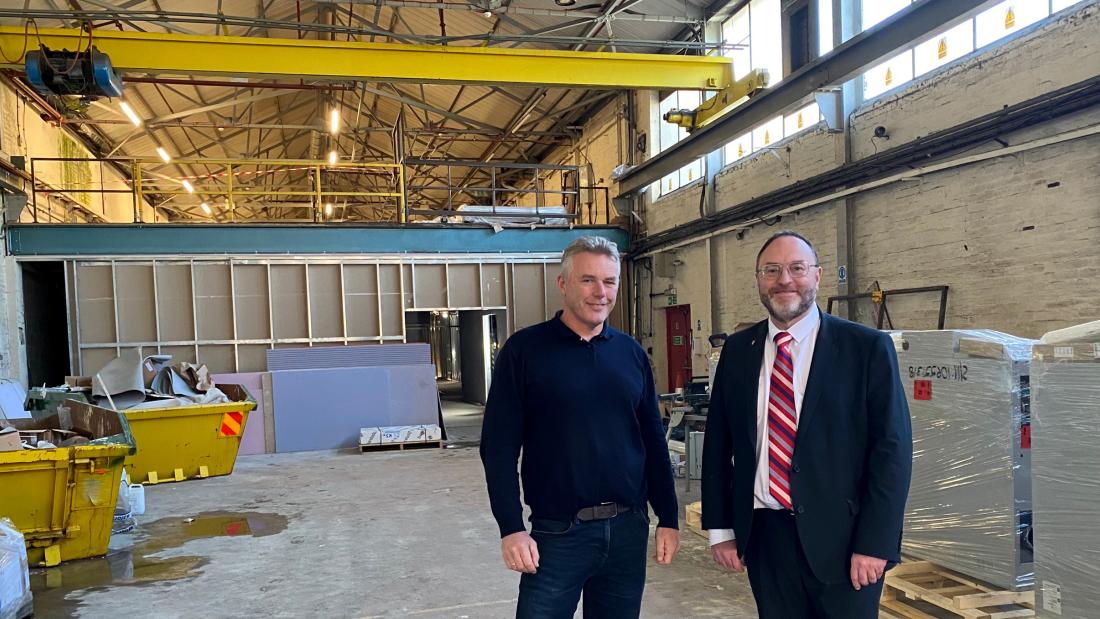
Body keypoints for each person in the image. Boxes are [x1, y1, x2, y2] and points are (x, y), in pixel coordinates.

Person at [701, 230, 912, 618]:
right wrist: (721, 529)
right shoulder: (738, 350)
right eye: (772, 270)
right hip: (765, 538)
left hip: (846, 541)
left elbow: (891, 453)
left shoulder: (865, 349)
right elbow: (718, 445)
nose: (784, 280)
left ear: (817, 275)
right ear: (759, 280)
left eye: (797, 268)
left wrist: (876, 543)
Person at [480, 235, 680, 619]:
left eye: (609, 282)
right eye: (588, 280)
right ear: (563, 284)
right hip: (558, 535)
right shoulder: (524, 352)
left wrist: (667, 518)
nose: (600, 293)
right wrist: (511, 527)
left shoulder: (631, 354)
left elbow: (653, 442)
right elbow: (499, 449)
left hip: (627, 531)